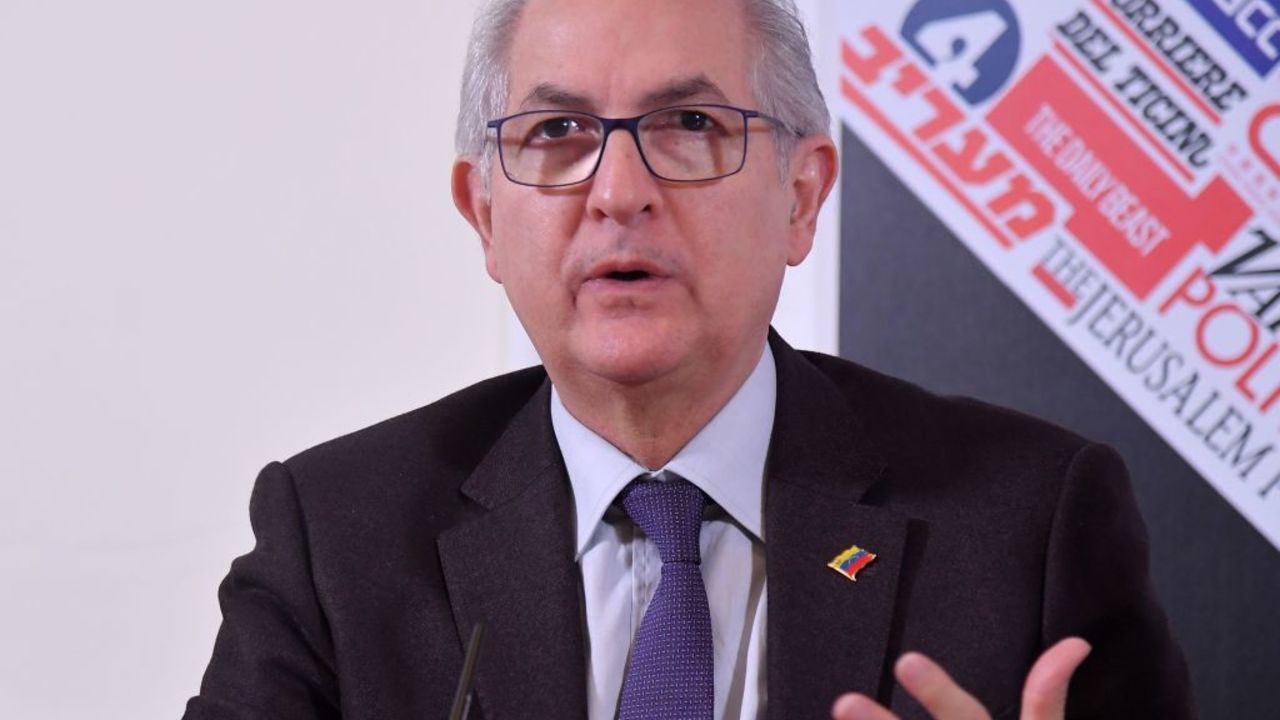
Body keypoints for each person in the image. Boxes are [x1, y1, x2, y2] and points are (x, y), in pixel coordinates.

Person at [183, 0, 1194, 718]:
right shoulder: (338, 537)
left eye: (691, 124)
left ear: (799, 198)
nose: (617, 190)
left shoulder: (1026, 525)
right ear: (483, 214)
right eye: (557, 131)